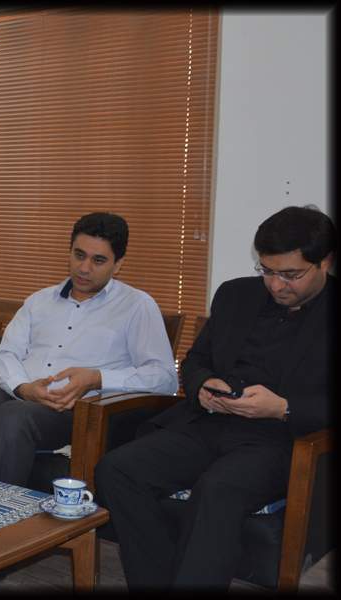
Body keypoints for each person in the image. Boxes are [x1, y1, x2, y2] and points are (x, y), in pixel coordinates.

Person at [94, 205, 336, 590]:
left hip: (279, 439)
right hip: (209, 421)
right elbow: (196, 360)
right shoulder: (236, 294)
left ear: (325, 262)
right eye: (267, 271)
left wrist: (283, 408)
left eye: (290, 275)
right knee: (118, 470)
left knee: (218, 489)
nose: (276, 285)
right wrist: (204, 386)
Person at [0, 212, 178, 486]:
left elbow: (164, 377)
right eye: (79, 255)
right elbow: (4, 354)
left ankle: (1, 510)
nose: (84, 268)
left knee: (14, 418)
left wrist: (97, 378)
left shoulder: (136, 306)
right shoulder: (40, 301)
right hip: (22, 392)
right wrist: (23, 388)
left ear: (118, 264)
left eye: (98, 260)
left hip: (79, 409)